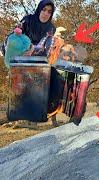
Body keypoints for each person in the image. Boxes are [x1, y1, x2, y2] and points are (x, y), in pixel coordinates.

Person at [12, 0, 58, 128]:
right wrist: (25, 45)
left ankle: (39, 116)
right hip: (21, 58)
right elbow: (16, 33)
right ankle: (19, 119)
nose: (46, 13)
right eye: (44, 10)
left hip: (38, 60)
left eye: (49, 11)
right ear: (39, 9)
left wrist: (35, 49)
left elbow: (46, 46)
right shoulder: (28, 20)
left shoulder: (51, 28)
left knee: (51, 82)